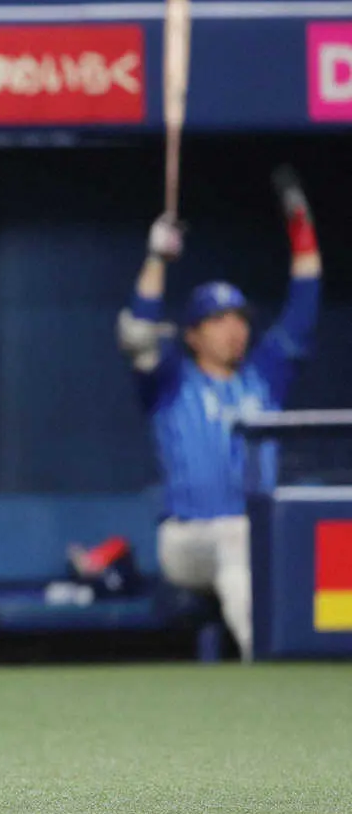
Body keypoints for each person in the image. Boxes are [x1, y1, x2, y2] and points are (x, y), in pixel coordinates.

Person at [116, 169, 322, 661]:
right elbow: (137, 334)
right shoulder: (171, 381)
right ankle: (269, 661)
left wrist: (301, 227)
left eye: (239, 320)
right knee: (235, 538)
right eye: (218, 320)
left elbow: (305, 303)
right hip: (187, 539)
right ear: (192, 334)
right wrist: (156, 259)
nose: (234, 330)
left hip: (257, 534)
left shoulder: (264, 376)